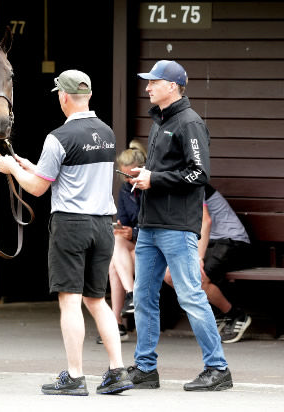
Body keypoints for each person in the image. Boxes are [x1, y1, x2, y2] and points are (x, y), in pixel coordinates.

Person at [0, 70, 133, 396]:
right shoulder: (108, 133)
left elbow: (38, 189)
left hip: (71, 225)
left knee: (69, 302)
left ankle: (75, 375)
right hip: (102, 225)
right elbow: (66, 175)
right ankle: (118, 371)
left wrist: (14, 169)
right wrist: (32, 165)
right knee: (97, 301)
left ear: (64, 97)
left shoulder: (58, 137)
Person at [127, 60, 233, 391]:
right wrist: (144, 176)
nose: (147, 87)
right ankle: (145, 368)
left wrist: (153, 179)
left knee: (190, 295)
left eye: (153, 82)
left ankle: (218, 369)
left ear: (172, 86)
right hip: (150, 226)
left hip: (176, 228)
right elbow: (169, 170)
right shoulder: (160, 121)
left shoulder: (190, 123)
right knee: (143, 296)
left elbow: (199, 175)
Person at [164, 184, 253, 343]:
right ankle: (218, 314)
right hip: (207, 242)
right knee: (169, 275)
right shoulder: (162, 187)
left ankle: (235, 315)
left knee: (197, 277)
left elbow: (205, 221)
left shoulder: (192, 183)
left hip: (232, 241)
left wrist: (197, 258)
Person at [96, 140, 147, 344]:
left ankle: (118, 323)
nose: (128, 180)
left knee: (114, 264)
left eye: (132, 176)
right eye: (124, 176)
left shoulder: (150, 186)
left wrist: (133, 232)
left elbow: (155, 224)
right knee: (115, 245)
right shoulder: (127, 190)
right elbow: (124, 220)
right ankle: (131, 295)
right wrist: (123, 229)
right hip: (135, 243)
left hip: (153, 244)